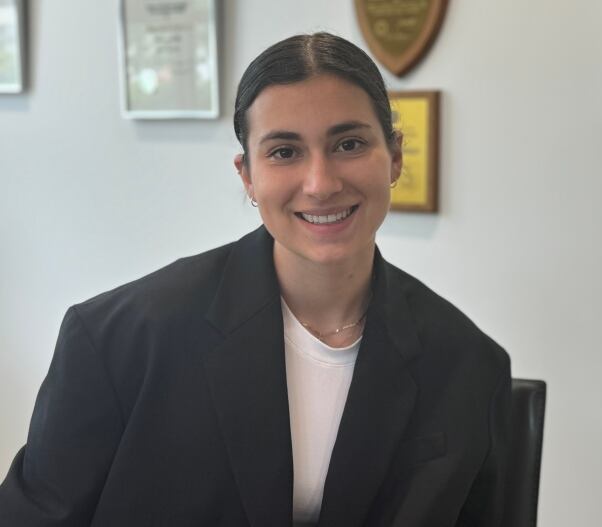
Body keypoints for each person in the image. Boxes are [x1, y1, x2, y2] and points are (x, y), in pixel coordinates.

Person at [0, 33, 511, 526]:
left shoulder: (468, 366)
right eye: (285, 152)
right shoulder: (117, 342)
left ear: (394, 157)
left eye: (349, 143)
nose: (321, 184)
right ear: (247, 175)